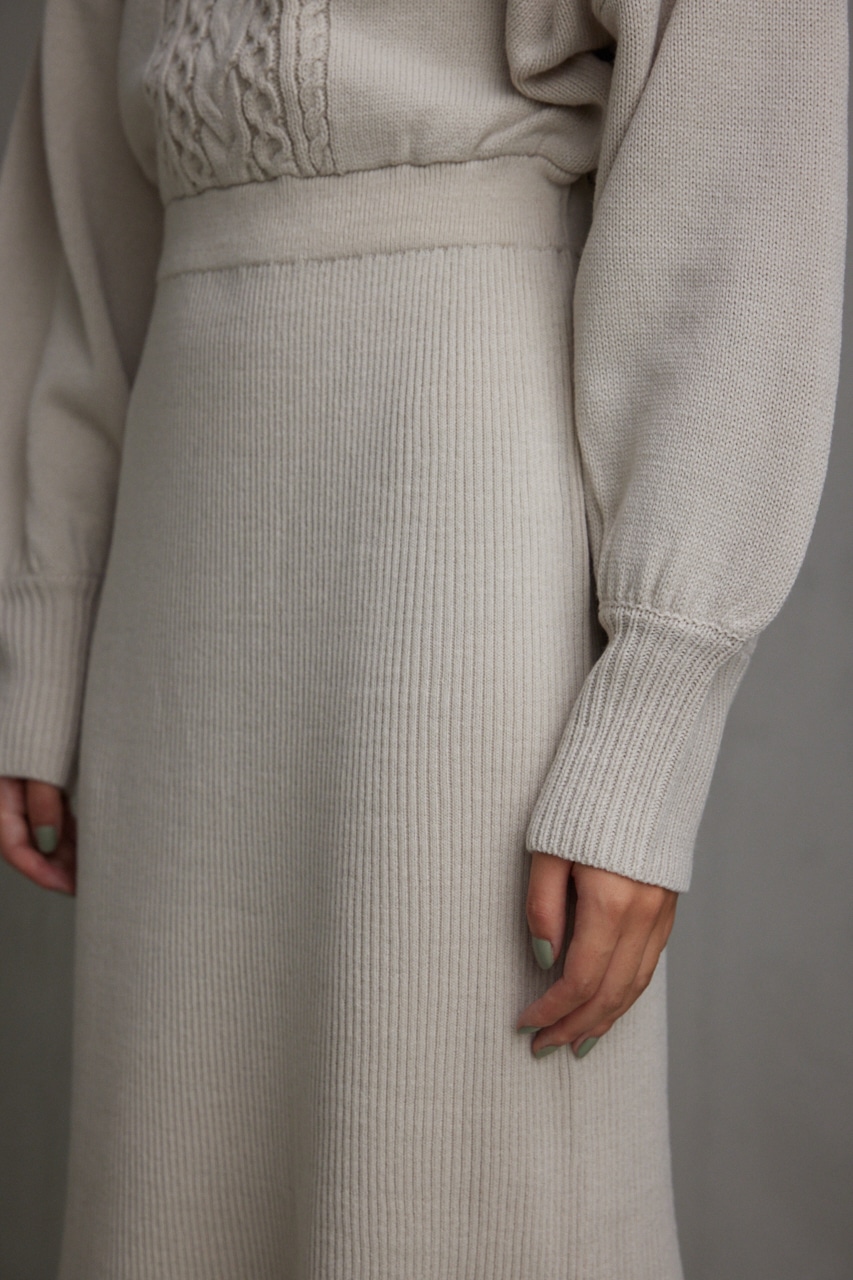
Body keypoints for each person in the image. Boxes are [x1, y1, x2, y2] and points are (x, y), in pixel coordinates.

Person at [0, 1, 846, 1277]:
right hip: (177, 581)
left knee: (445, 1175)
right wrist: (50, 608)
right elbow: (76, 207)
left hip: (462, 531)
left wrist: (653, 706)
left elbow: (738, 178)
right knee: (172, 1179)